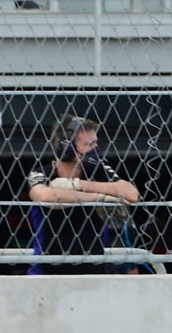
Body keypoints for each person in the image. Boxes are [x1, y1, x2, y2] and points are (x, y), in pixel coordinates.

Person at [24, 114, 140, 274]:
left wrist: (78, 184)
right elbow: (44, 196)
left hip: (94, 267)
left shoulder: (98, 171)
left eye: (95, 142)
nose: (95, 149)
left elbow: (131, 193)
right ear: (67, 147)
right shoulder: (43, 172)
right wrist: (99, 196)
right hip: (48, 268)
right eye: (89, 144)